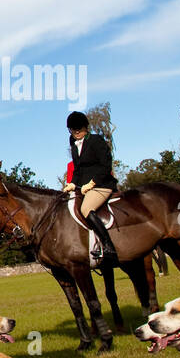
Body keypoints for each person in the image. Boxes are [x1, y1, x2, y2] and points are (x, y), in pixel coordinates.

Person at [63, 111, 118, 268]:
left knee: (86, 208)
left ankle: (109, 246)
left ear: (85, 127)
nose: (76, 132)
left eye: (78, 129)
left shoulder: (96, 140)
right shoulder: (74, 144)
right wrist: (73, 183)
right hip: (83, 187)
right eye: (73, 130)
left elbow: (106, 165)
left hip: (102, 184)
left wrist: (92, 183)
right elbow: (78, 169)